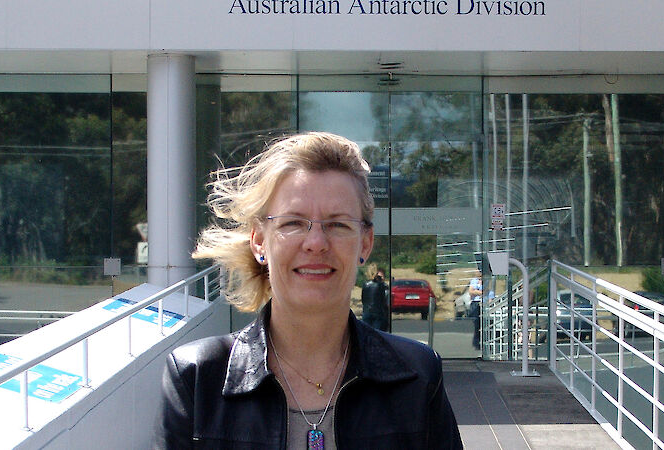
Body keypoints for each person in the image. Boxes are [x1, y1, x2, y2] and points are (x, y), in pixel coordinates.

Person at [153, 132, 462, 449]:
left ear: (365, 243)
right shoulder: (197, 377)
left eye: (338, 224)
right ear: (259, 240)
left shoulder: (417, 376)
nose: (316, 243)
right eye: (293, 223)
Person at [360, 265, 389, 331]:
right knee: (376, 333)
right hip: (377, 312)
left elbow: (363, 299)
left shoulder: (365, 284)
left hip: (366, 311)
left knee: (366, 332)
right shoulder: (380, 285)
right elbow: (383, 299)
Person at [468, 270, 483, 350]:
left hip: (484, 303)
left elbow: (488, 292)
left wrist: (476, 291)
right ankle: (476, 343)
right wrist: (480, 292)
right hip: (475, 303)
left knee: (483, 324)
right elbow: (471, 292)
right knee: (476, 324)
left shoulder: (487, 281)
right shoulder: (474, 281)